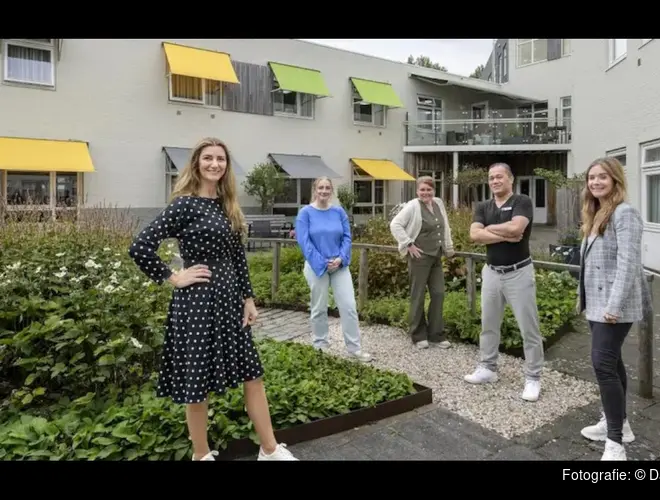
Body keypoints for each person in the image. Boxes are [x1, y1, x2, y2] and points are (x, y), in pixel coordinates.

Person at [128, 137, 297, 461]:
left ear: (226, 166)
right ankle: (201, 455)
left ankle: (270, 450)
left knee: (253, 375)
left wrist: (248, 298)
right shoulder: (184, 205)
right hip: (197, 305)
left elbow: (237, 257)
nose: (215, 164)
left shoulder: (227, 205)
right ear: (196, 164)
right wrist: (174, 276)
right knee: (198, 384)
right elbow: (140, 246)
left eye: (220, 159)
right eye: (208, 158)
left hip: (230, 302)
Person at [577, 157, 649, 461]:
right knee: (613, 363)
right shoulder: (595, 213)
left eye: (602, 177)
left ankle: (616, 443)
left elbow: (628, 264)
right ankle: (620, 423)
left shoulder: (624, 213)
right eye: (591, 178)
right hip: (596, 304)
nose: (595, 182)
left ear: (615, 180)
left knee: (603, 365)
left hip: (613, 306)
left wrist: (614, 306)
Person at [463, 163, 544, 403]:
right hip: (492, 273)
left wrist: (489, 229)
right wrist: (503, 233)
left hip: (518, 272)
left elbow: (517, 227)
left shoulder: (522, 201)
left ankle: (533, 377)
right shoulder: (483, 206)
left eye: (499, 177)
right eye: (491, 178)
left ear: (510, 179)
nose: (494, 181)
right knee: (488, 324)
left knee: (528, 328)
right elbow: (474, 235)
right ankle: (488, 368)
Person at [295, 176, 372, 362]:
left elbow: (347, 237)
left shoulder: (339, 212)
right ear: (315, 190)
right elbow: (304, 242)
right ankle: (320, 345)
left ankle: (354, 348)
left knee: (349, 306)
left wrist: (340, 258)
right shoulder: (305, 213)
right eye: (320, 187)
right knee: (319, 307)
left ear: (331, 190)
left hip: (339, 266)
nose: (323, 191)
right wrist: (322, 262)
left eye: (327, 187)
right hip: (316, 267)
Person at [390, 175, 454, 349]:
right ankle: (418, 335)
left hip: (436, 256)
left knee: (438, 294)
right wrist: (408, 243)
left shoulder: (438, 203)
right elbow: (395, 224)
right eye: (422, 190)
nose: (425, 193)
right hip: (419, 258)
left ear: (434, 190)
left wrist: (449, 247)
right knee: (418, 295)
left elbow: (445, 226)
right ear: (417, 191)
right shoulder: (412, 206)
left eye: (429, 189)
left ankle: (436, 334)